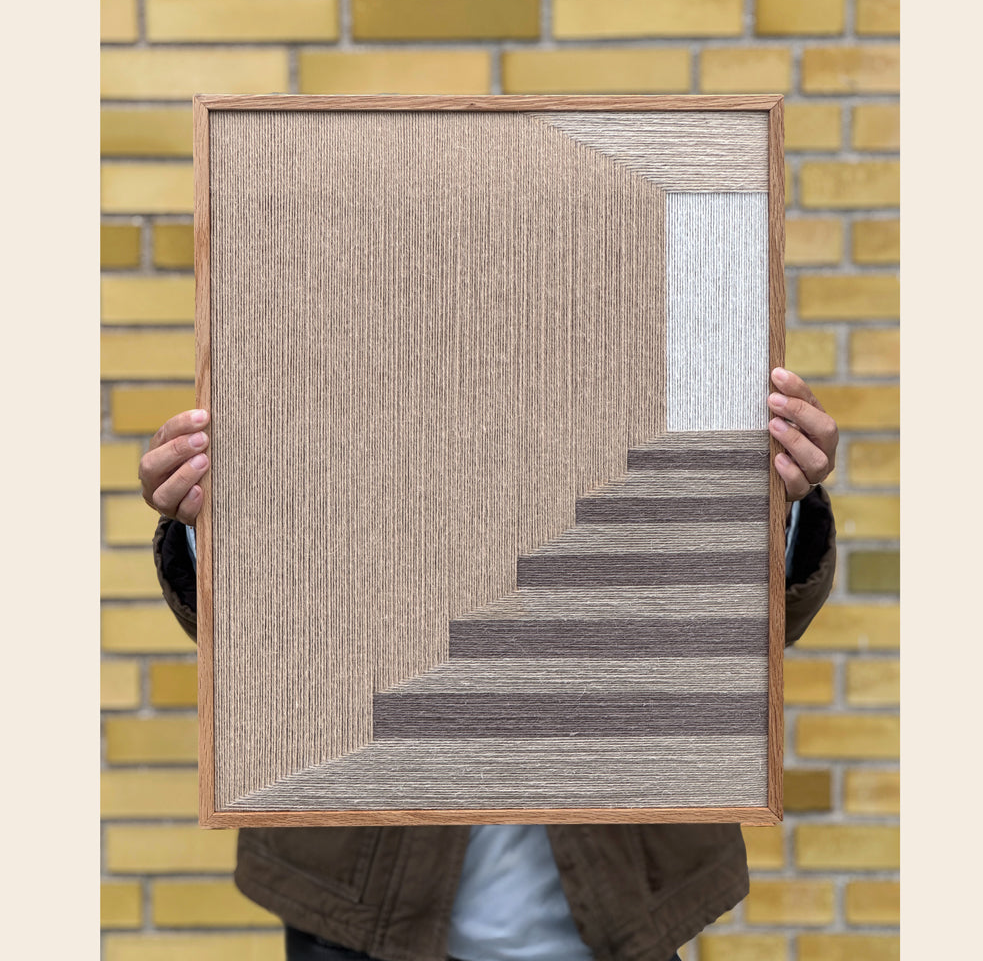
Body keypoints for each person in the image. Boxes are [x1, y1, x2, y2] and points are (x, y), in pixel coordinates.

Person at [142, 366, 838, 961]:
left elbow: (729, 626)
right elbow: (276, 635)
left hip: (625, 893)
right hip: (357, 897)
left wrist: (775, 507)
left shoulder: (653, 320)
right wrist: (213, 523)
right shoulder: (325, 327)